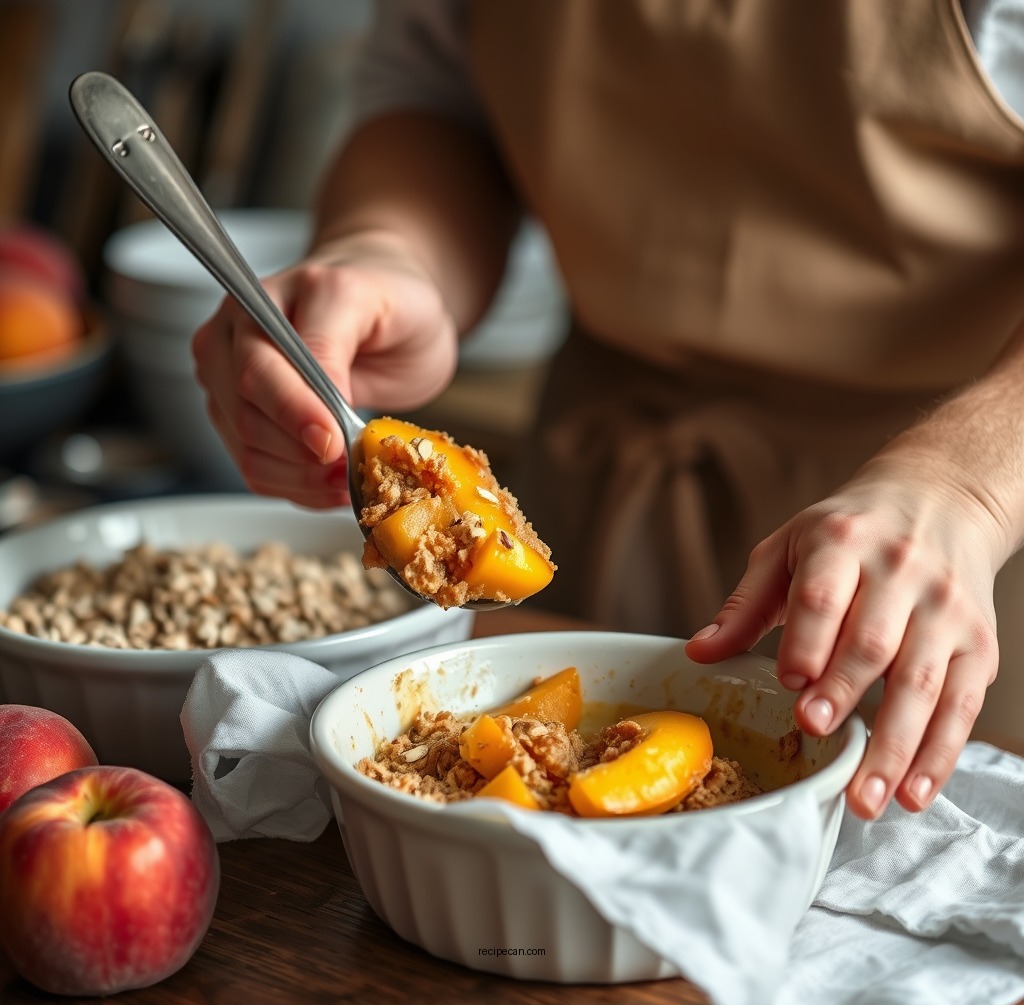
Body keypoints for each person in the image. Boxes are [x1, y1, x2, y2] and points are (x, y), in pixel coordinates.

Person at [191, 0, 1024, 821]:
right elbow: (443, 103)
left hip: (960, 533)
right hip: (600, 482)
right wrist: (392, 254)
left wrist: (965, 485)